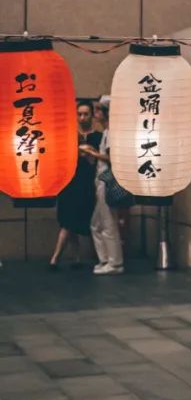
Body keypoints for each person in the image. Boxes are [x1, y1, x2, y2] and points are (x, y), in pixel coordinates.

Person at [51, 98, 99, 269]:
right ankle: (74, 258)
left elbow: (98, 163)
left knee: (72, 222)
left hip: (86, 184)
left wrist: (89, 155)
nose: (82, 117)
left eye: (86, 114)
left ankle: (57, 258)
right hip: (68, 183)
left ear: (92, 116)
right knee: (68, 221)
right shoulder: (71, 137)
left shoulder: (97, 137)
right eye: (79, 114)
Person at [87, 98, 124, 275]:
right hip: (101, 180)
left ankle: (115, 262)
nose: (96, 114)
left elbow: (112, 158)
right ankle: (105, 259)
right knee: (96, 223)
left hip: (106, 180)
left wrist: (92, 153)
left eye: (98, 110)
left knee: (108, 222)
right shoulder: (107, 132)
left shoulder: (111, 133)